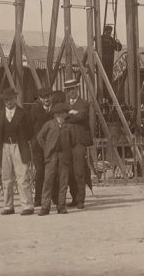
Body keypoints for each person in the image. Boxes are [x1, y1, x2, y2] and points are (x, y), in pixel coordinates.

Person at [0, 88, 35, 216]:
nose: (8, 102)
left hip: (19, 147)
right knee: (6, 178)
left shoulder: (23, 114)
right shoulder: (0, 115)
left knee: (22, 177)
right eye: (6, 100)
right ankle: (8, 206)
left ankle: (27, 206)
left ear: (15, 99)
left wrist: (21, 141)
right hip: (5, 147)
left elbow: (30, 132)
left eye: (10, 99)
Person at [36, 103, 75, 215]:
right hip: (51, 156)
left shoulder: (68, 126)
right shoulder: (49, 125)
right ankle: (45, 207)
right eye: (64, 113)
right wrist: (46, 148)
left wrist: (68, 150)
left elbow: (73, 140)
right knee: (48, 181)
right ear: (57, 114)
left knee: (63, 182)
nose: (66, 115)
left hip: (64, 156)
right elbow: (40, 137)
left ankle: (61, 206)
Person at [64, 79, 92, 209]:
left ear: (78, 89)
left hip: (79, 142)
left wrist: (68, 116)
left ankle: (81, 200)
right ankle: (74, 197)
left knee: (79, 171)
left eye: (74, 89)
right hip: (67, 142)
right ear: (67, 92)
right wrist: (72, 114)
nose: (72, 92)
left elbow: (82, 116)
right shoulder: (65, 105)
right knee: (69, 172)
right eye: (69, 90)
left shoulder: (84, 104)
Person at [30, 87, 54, 207]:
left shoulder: (55, 110)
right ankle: (38, 199)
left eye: (48, 97)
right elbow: (30, 126)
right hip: (38, 147)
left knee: (53, 172)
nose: (46, 100)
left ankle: (54, 198)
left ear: (51, 97)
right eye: (44, 98)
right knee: (40, 172)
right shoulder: (35, 109)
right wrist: (34, 141)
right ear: (40, 99)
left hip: (53, 146)